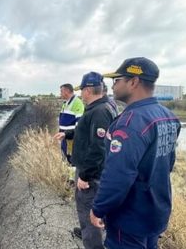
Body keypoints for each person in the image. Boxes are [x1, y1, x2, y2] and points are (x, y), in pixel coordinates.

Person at [90, 57, 181, 249]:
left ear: (133, 82)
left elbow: (117, 175)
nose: (112, 86)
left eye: (117, 80)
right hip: (156, 211)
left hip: (130, 218)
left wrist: (98, 209)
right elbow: (168, 164)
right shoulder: (168, 116)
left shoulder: (129, 123)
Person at [70, 72, 118, 249]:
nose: (81, 94)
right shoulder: (104, 106)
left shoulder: (99, 112)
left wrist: (85, 176)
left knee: (87, 212)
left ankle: (93, 244)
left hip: (91, 174)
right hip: (96, 171)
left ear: (88, 90)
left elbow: (98, 148)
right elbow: (89, 134)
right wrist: (67, 134)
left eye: (82, 90)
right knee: (92, 214)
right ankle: (89, 234)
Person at [53, 83, 84, 163]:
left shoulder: (78, 103)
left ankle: (72, 175)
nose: (60, 93)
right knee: (65, 160)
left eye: (61, 91)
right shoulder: (65, 103)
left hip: (72, 140)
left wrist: (66, 133)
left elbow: (79, 126)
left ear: (67, 91)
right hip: (65, 138)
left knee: (72, 162)